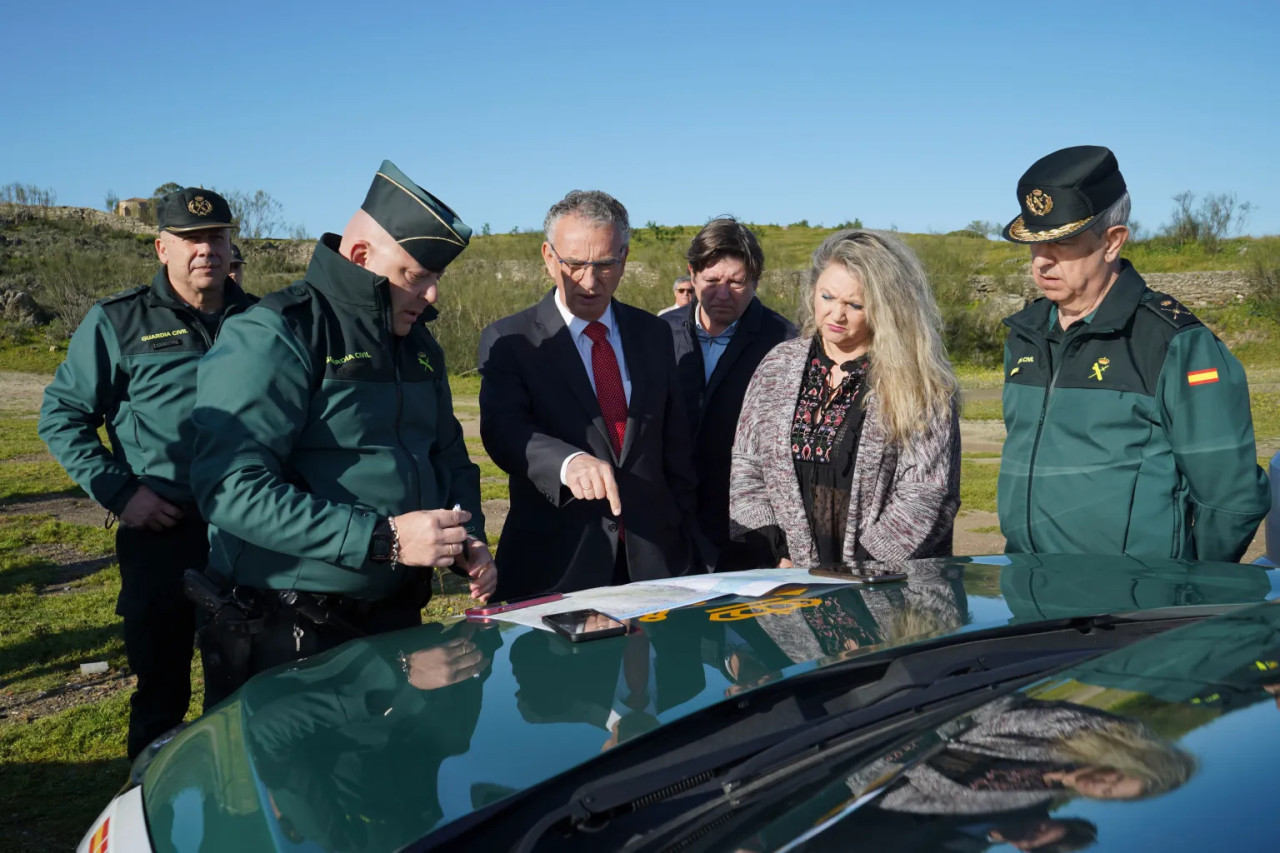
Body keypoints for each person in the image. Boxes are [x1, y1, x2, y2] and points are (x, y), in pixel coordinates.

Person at [189, 160, 496, 706]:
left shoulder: (419, 347)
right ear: (361, 258)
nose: (430, 296)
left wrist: (464, 536)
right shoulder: (277, 332)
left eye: (435, 278)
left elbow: (448, 455)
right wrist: (386, 540)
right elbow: (229, 487)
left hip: (399, 619)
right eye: (415, 275)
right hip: (292, 630)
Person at [38, 187, 256, 759]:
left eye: (215, 236)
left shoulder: (263, 320)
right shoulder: (119, 321)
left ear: (232, 243)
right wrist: (121, 492)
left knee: (248, 691)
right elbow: (62, 415)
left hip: (253, 535)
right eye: (189, 238)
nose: (204, 249)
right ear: (163, 247)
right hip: (163, 536)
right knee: (162, 697)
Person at [997, 145, 1270, 560]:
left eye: (1063, 243)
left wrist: (1186, 590)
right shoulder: (1026, 335)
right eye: (1034, 244)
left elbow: (1230, 496)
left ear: (1112, 242)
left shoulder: (1175, 343)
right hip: (1028, 586)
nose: (1041, 262)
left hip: (1128, 608)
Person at [478, 190, 705, 598]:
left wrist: (690, 545)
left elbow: (674, 449)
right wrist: (566, 462)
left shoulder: (653, 334)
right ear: (549, 257)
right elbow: (504, 430)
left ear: (624, 257)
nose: (589, 280)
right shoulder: (509, 340)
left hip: (656, 563)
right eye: (575, 264)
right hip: (558, 564)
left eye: (604, 264)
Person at [729, 229, 961, 567]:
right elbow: (747, 466)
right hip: (788, 581)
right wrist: (778, 551)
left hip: (885, 587)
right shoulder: (777, 365)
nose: (836, 315)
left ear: (887, 309)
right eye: (827, 297)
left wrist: (862, 570)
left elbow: (926, 494)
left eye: (855, 305)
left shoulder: (918, 382)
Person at [663, 216, 796, 566]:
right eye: (712, 281)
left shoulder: (785, 344)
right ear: (691, 274)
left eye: (736, 283)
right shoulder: (656, 334)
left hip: (747, 529)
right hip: (669, 523)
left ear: (755, 280)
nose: (722, 294)